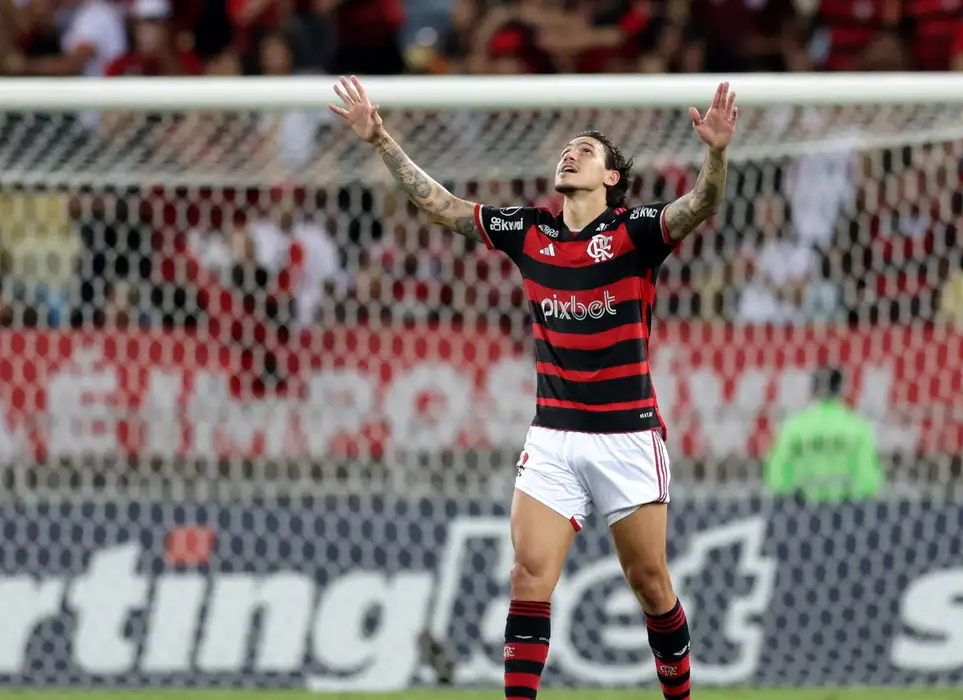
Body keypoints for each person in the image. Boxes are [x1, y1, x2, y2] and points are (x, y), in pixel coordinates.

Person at [330, 74, 736, 700]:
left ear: (610, 178)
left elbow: (700, 204)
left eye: (586, 150)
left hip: (626, 436)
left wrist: (716, 154)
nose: (570, 154)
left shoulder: (634, 233)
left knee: (652, 584)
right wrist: (382, 140)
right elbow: (443, 206)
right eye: (567, 148)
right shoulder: (530, 230)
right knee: (528, 576)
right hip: (553, 437)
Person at [764, 367, 885, 503]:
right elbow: (868, 479)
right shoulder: (857, 427)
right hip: (845, 505)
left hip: (803, 505)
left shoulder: (794, 427)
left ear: (812, 390)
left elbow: (777, 475)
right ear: (842, 390)